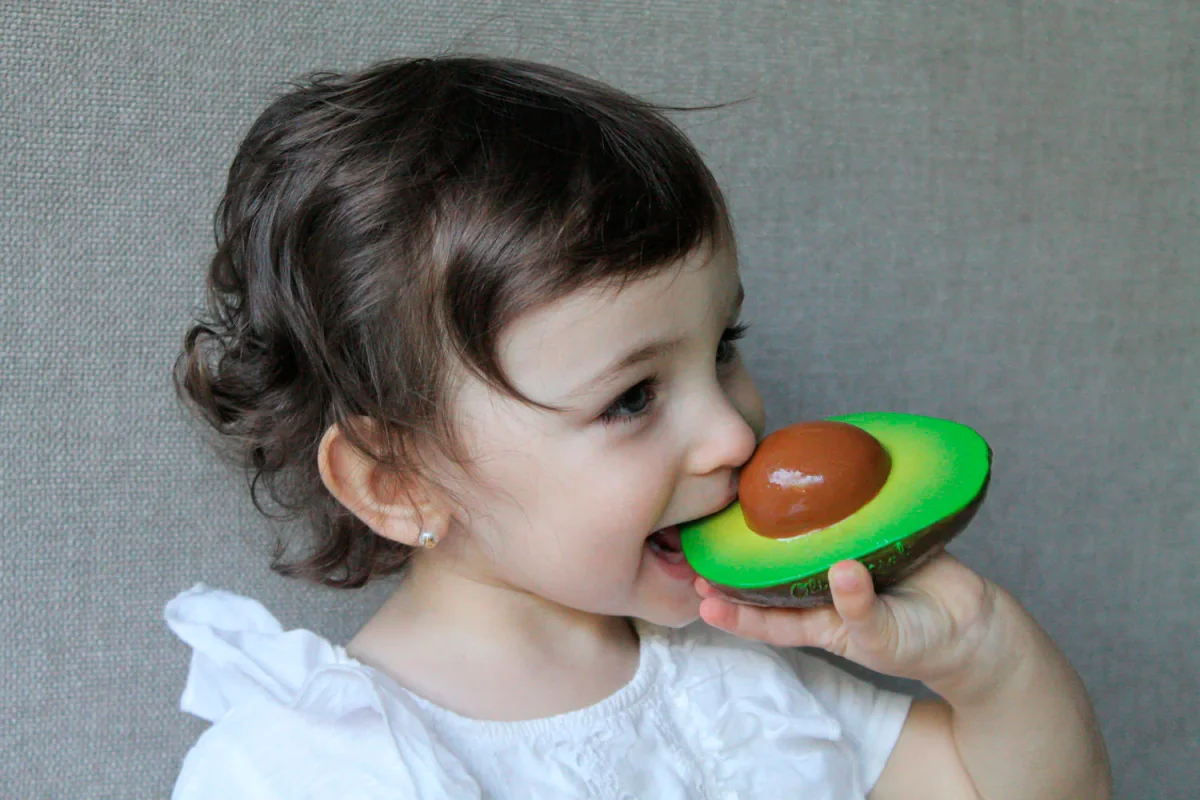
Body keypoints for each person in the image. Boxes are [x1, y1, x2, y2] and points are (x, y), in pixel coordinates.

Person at [165, 54, 1111, 798]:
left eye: (724, 346)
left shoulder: (739, 674)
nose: (734, 436)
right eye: (631, 398)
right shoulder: (313, 766)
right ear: (398, 483)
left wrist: (984, 652)